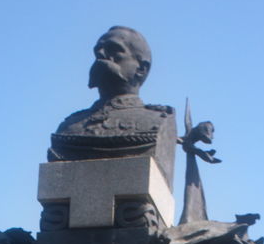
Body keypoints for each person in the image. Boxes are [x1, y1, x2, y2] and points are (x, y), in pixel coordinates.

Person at [49, 27, 175, 178]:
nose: (101, 55)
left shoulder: (157, 122)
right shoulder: (69, 127)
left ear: (142, 68)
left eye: (113, 49)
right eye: (97, 51)